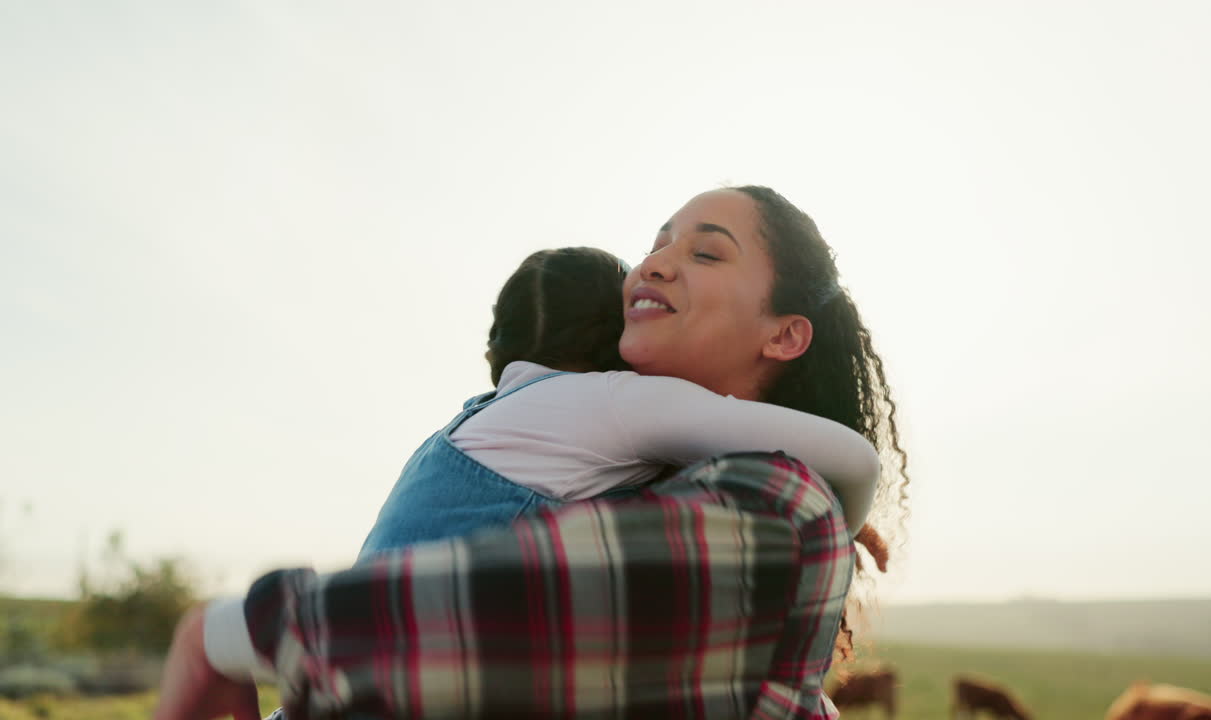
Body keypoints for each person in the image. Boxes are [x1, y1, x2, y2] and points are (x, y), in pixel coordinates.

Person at [153, 186, 911, 720]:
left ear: (784, 333)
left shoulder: (775, 498)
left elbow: (494, 619)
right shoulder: (663, 462)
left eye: (707, 253)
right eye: (655, 244)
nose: (653, 264)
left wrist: (231, 633)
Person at [357, 245, 880, 559]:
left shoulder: (477, 423)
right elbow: (857, 460)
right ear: (621, 331)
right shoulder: (613, 401)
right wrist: (838, 533)